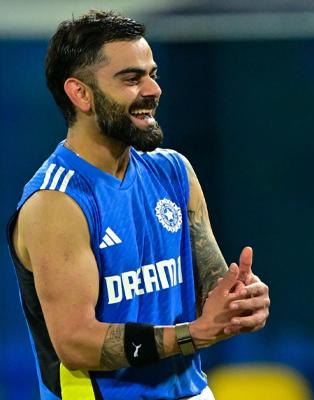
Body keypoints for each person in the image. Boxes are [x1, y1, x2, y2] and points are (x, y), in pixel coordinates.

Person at [6, 10, 270, 400]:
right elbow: (75, 344)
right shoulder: (56, 201)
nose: (153, 89)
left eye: (153, 74)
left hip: (191, 391)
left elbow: (212, 288)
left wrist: (239, 303)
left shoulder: (174, 172)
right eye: (131, 78)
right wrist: (193, 334)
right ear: (80, 94)